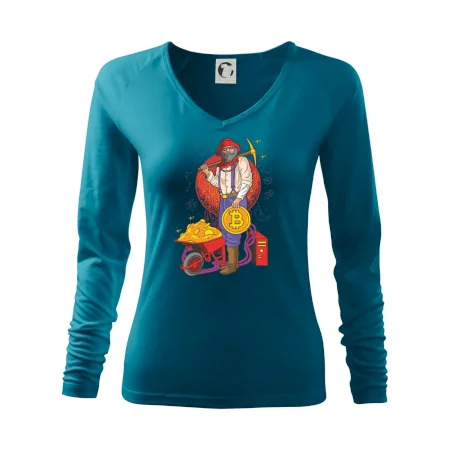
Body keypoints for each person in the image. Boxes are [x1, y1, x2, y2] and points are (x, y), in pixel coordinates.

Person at [200, 138, 253, 275]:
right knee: (224, 230)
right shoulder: (220, 167)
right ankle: (234, 264)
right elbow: (218, 184)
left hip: (237, 199)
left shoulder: (242, 161)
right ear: (222, 152)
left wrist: (239, 198)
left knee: (233, 231)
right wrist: (207, 173)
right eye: (225, 149)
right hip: (223, 200)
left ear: (235, 149)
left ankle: (232, 265)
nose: (228, 151)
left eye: (230, 148)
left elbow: (247, 181)